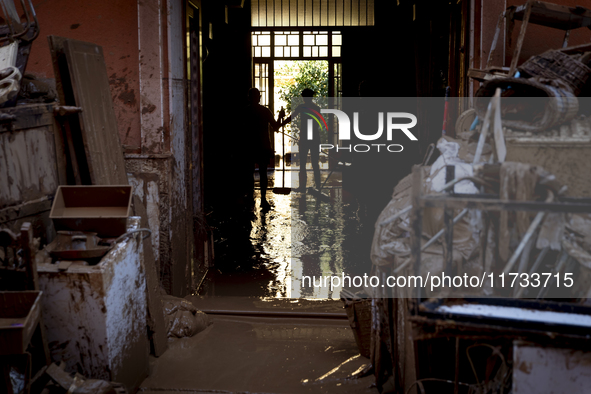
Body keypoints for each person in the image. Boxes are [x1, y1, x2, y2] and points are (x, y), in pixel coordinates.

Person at [243, 87, 286, 210]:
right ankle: (263, 199)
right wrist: (280, 116)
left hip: (250, 146)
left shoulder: (245, 111)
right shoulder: (265, 111)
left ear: (249, 98)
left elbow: (240, 131)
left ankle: (251, 197)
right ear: (259, 98)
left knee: (249, 173)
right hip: (263, 146)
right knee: (263, 173)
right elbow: (276, 127)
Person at [284, 88, 322, 192]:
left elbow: (291, 117)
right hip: (314, 138)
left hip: (306, 138)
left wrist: (281, 124)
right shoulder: (317, 108)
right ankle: (318, 187)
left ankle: (302, 187)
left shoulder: (302, 107)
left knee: (303, 164)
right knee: (315, 163)